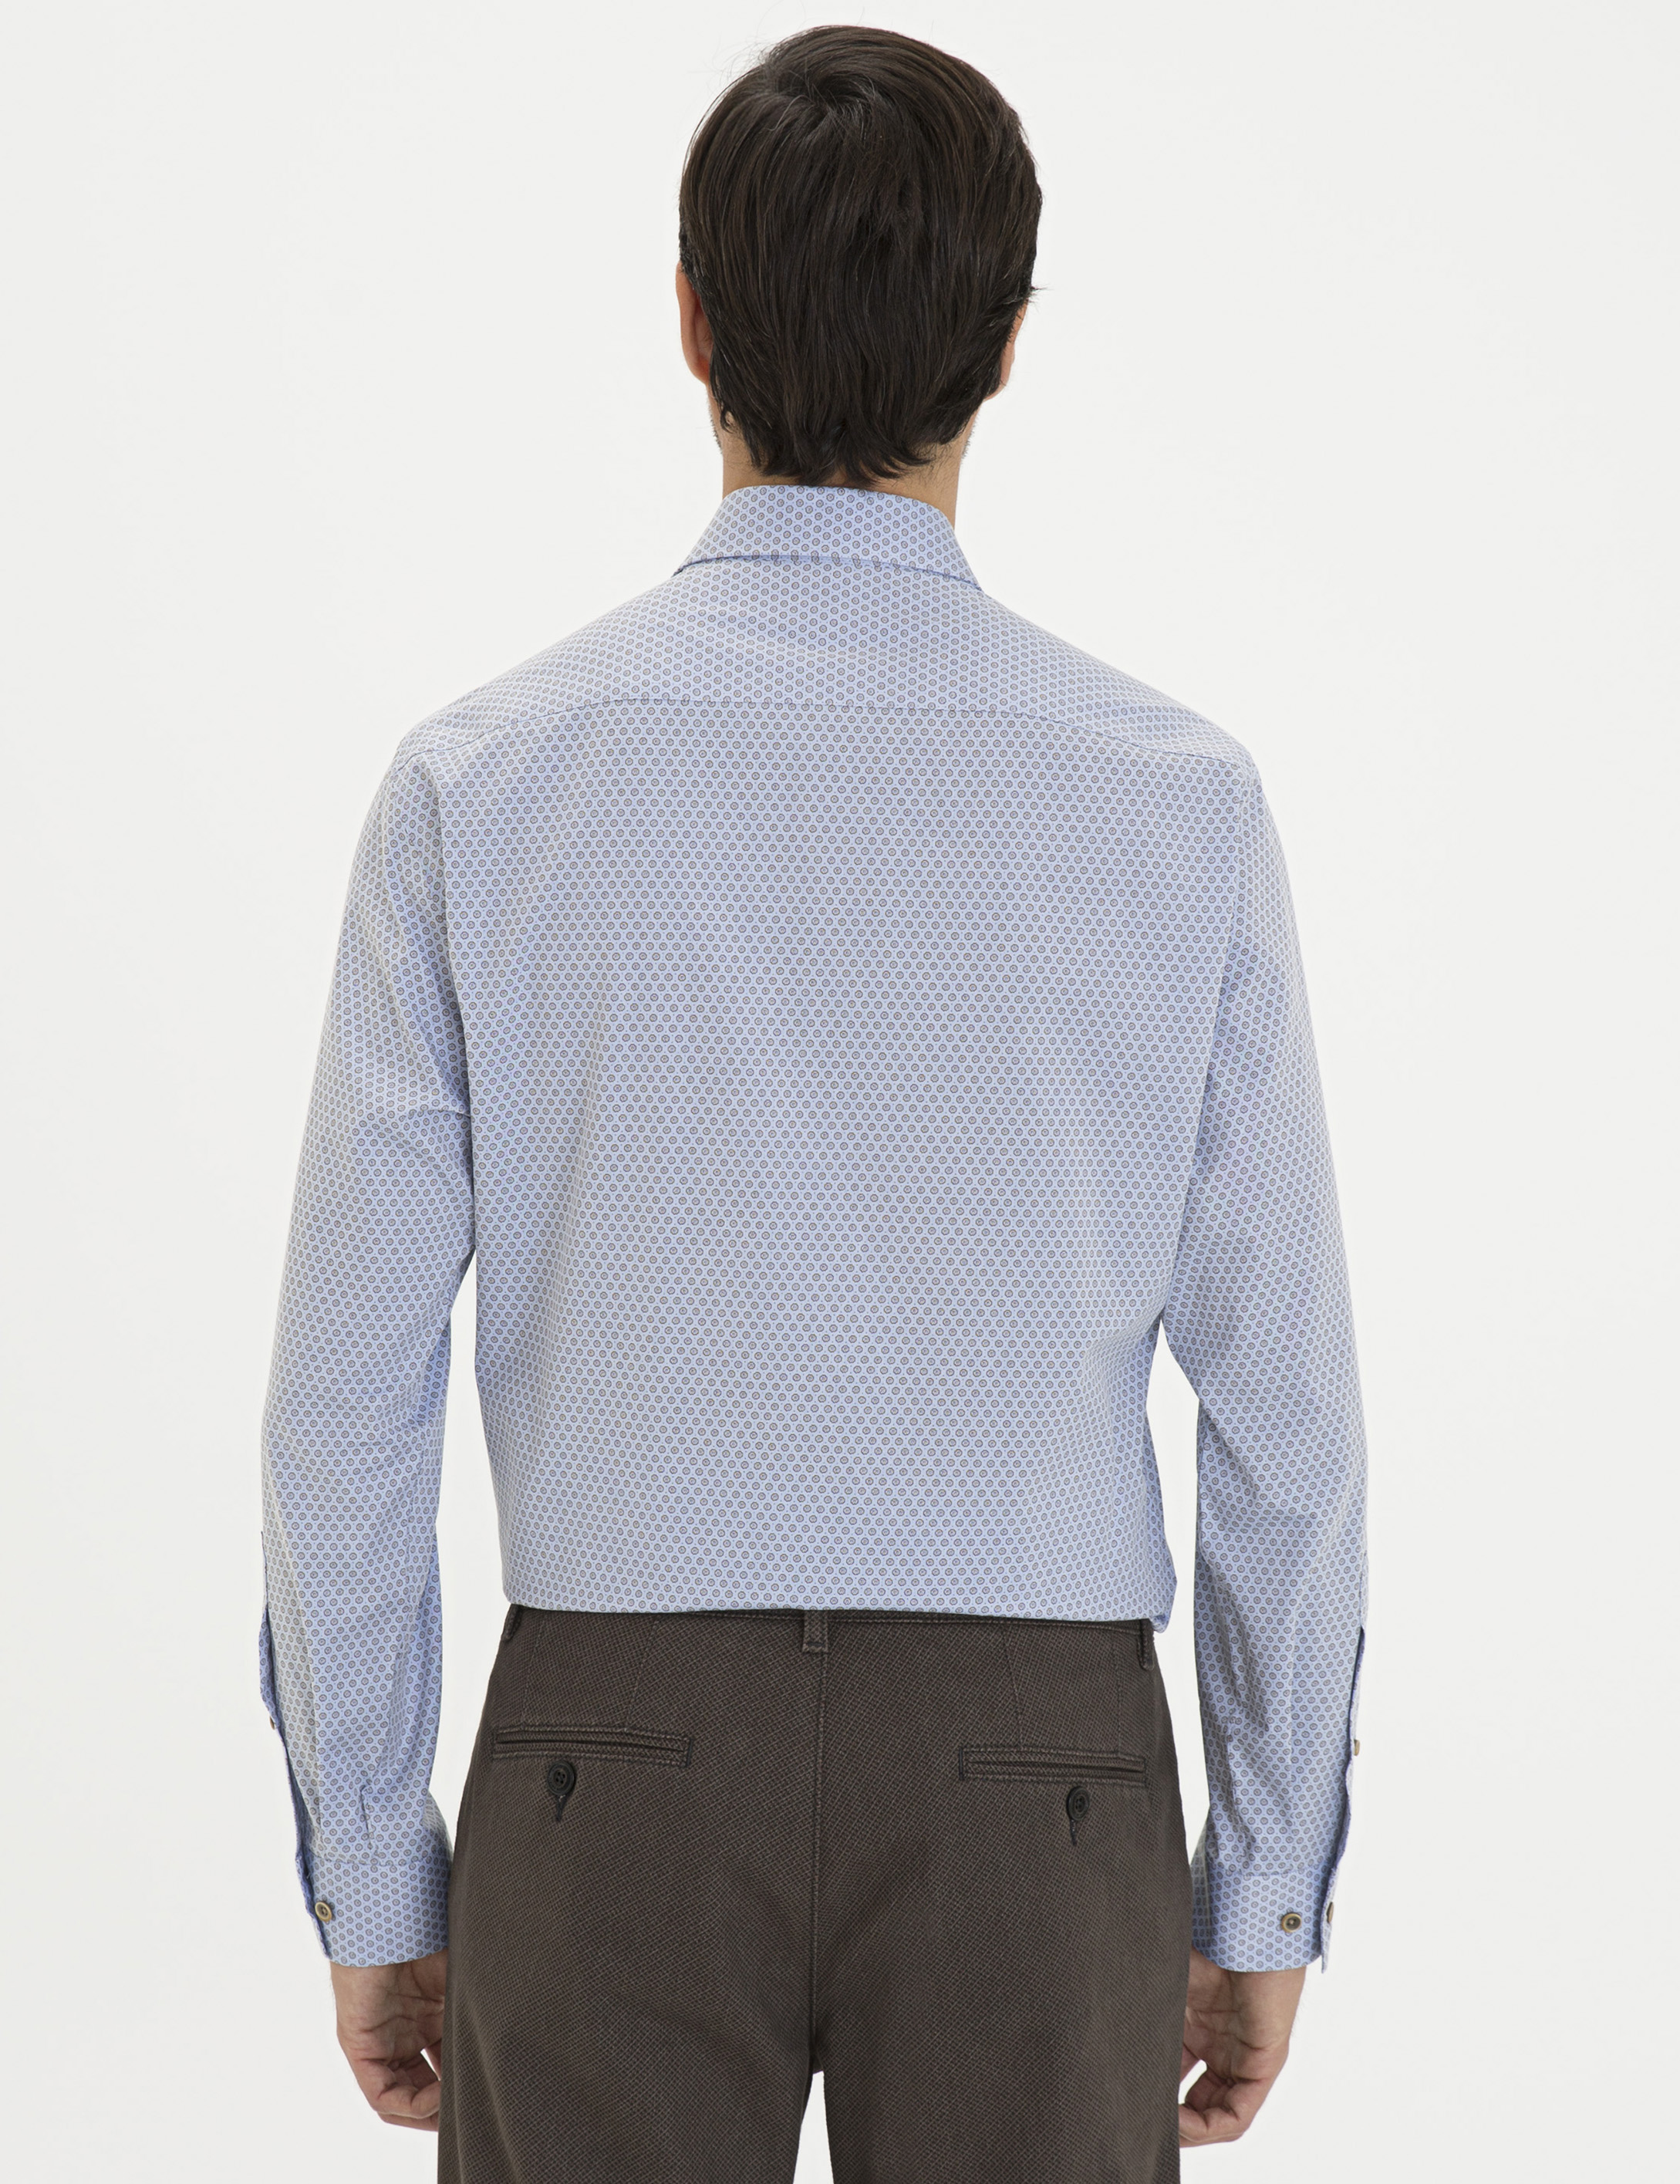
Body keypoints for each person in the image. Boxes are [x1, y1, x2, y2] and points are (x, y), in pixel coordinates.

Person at [260, 25, 1367, 2181]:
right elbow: (1287, 1413)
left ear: (689, 319)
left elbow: (342, 1398)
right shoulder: (1176, 801)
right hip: (1042, 1780)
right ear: (1008, 342)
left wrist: (375, 1868)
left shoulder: (482, 783)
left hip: (604, 1760)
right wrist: (1265, 1885)